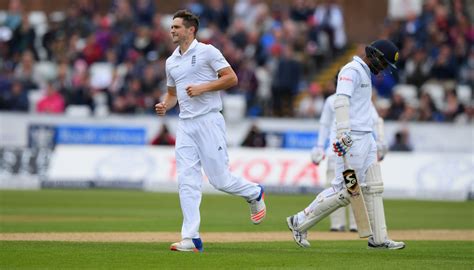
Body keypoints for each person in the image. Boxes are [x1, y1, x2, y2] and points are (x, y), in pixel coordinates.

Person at [155, 10, 266, 253]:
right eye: (171, 27)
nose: (172, 30)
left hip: (209, 121)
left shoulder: (208, 51)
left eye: (176, 26)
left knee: (220, 180)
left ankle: (255, 192)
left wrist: (204, 88)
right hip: (185, 124)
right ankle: (191, 238)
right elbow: (173, 94)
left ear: (190, 29)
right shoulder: (171, 61)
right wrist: (165, 104)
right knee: (186, 180)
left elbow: (231, 78)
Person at [287, 39, 405, 250]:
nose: (385, 67)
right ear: (375, 56)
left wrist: (375, 138)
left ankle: (379, 238)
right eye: (384, 62)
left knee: (373, 187)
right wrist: (344, 135)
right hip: (352, 141)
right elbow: (341, 101)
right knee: (345, 190)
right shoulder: (350, 70)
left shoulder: (365, 73)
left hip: (366, 139)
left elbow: (363, 109)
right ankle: (299, 221)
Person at [311, 74, 388, 233]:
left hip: (354, 152)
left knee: (353, 186)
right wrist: (319, 146)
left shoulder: (361, 99)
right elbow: (325, 125)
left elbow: (376, 121)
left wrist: (380, 142)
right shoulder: (332, 100)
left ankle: (355, 223)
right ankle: (337, 224)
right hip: (336, 152)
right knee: (338, 188)